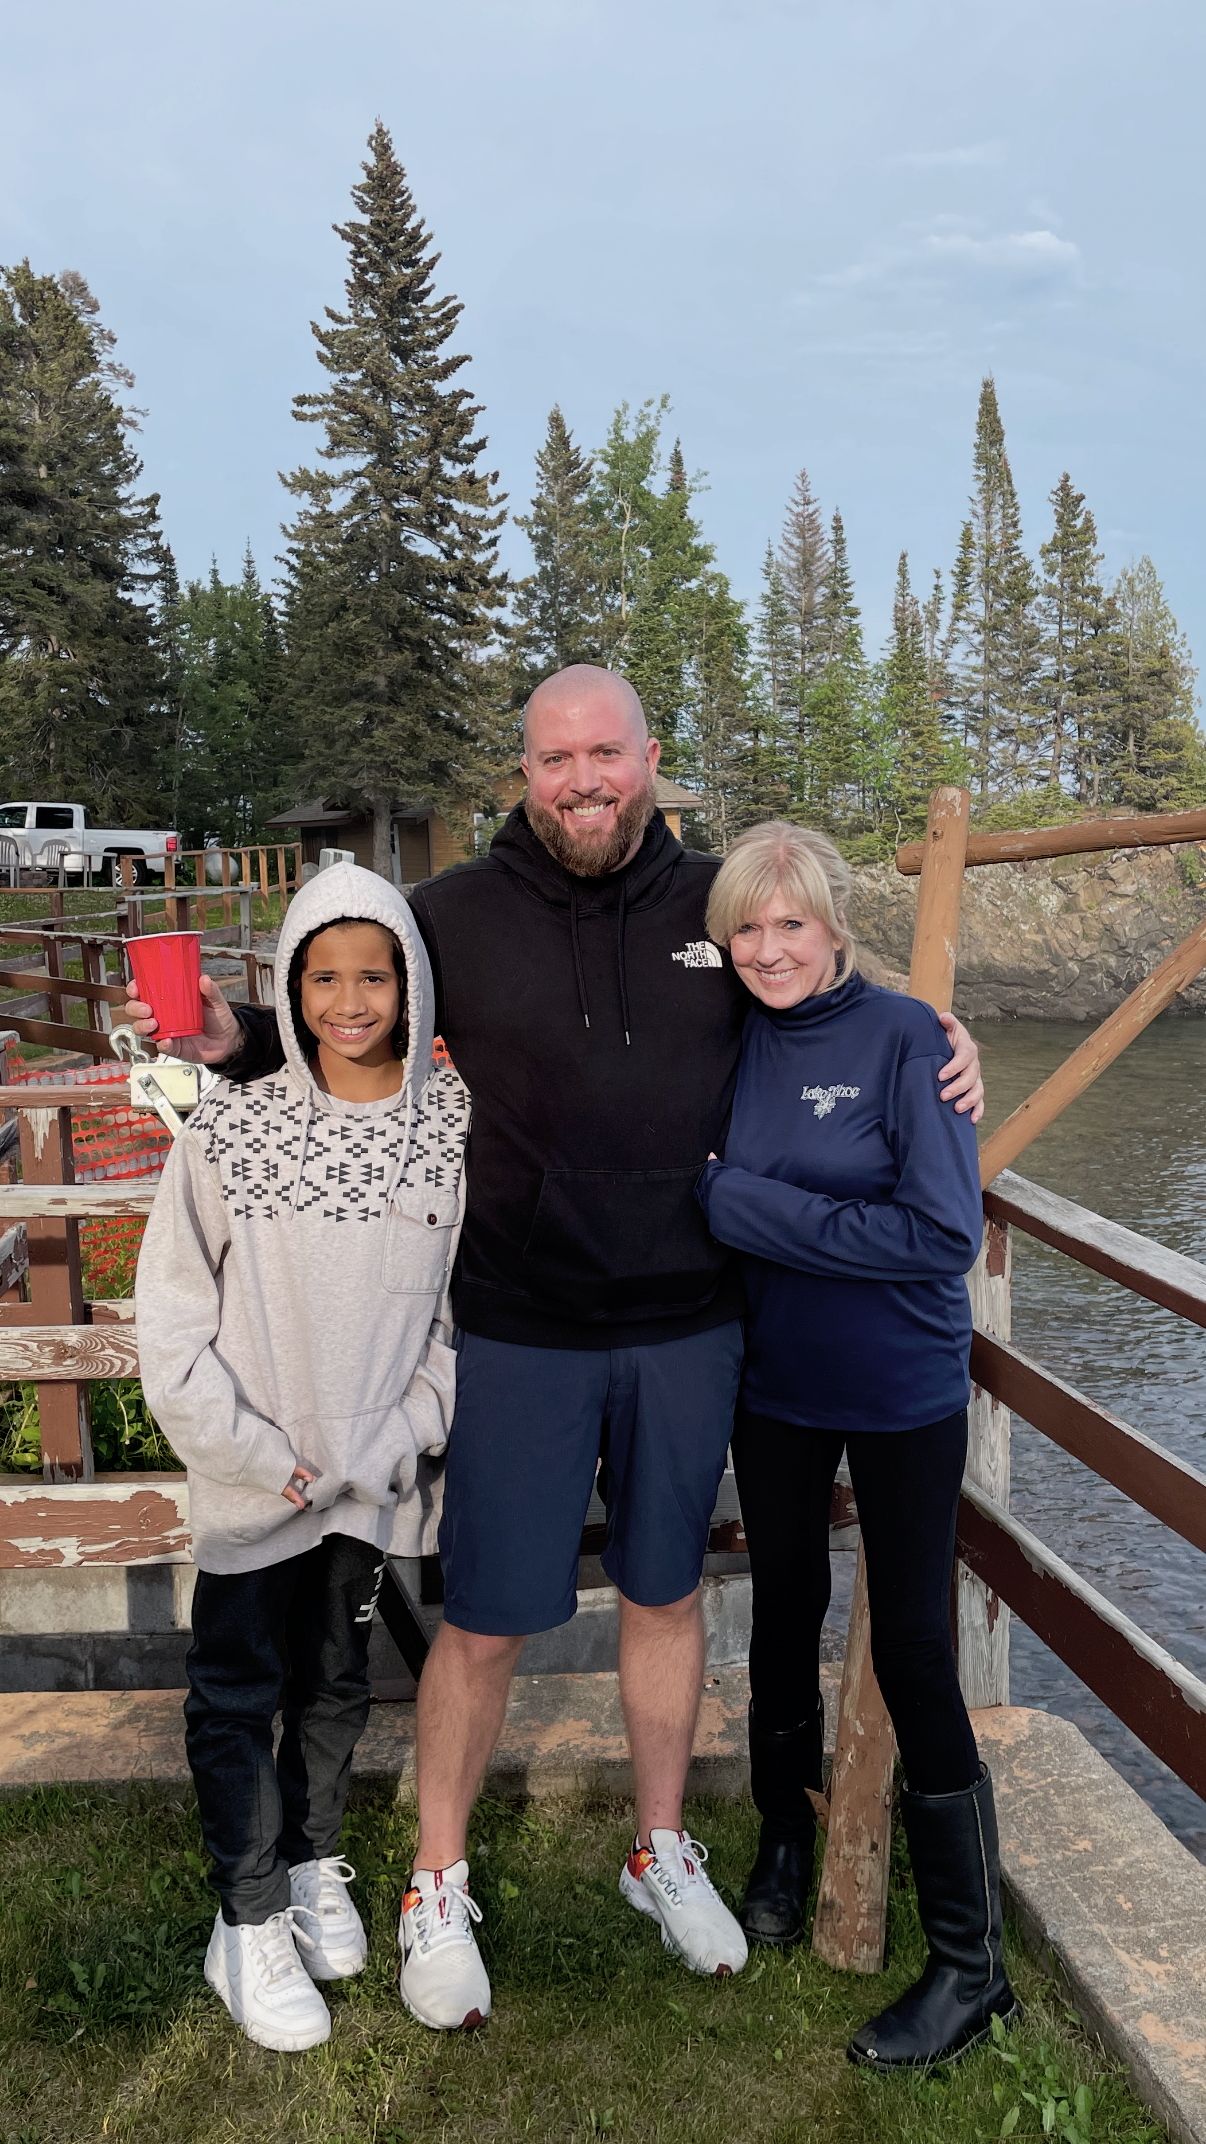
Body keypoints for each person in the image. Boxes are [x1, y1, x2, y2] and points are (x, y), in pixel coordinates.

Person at [125, 665, 984, 2031]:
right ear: (519, 773)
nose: (582, 781)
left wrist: (938, 1035)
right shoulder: (448, 915)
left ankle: (659, 1848)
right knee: (484, 1619)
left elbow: (814, 982)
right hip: (518, 1330)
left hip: (692, 1326)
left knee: (664, 1596)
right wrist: (221, 1037)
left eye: (605, 755)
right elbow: (338, 1014)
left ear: (651, 755)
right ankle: (433, 1884)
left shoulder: (710, 906)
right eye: (553, 760)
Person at [695, 820, 1015, 2069]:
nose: (767, 949)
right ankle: (784, 1841)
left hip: (898, 1386)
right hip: (774, 1380)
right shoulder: (726, 1035)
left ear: (835, 928)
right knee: (784, 1606)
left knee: (920, 1651)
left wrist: (747, 1205)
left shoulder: (908, 1039)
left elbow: (939, 1234)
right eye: (746, 925)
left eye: (791, 924)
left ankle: (968, 1963)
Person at [135, 863, 469, 2052]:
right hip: (250, 1488)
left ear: (411, 982)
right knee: (236, 1692)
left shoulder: (448, 1127)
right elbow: (172, 1321)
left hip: (369, 1486)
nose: (349, 998)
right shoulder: (233, 1125)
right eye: (322, 975)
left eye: (373, 973)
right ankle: (247, 1911)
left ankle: (313, 1854)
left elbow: (448, 1323)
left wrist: (395, 1437)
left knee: (335, 1680)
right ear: (289, 984)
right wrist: (246, 1450)